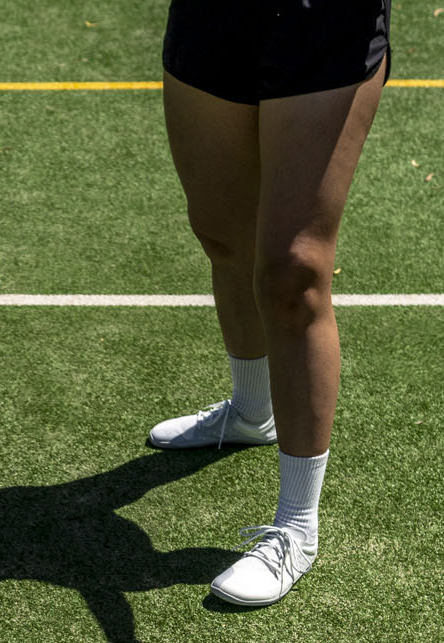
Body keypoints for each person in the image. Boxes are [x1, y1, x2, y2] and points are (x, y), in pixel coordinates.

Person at [151, 0, 391, 606]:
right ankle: (252, 412)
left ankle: (296, 527)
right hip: (218, 15)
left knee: (293, 270)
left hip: (327, 21)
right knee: (223, 234)